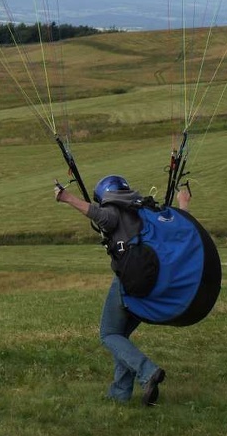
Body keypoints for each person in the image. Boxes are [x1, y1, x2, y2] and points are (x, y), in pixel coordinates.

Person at [54, 174, 191, 406]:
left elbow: (104, 218)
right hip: (154, 283)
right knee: (121, 335)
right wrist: (184, 203)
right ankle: (120, 393)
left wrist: (67, 198)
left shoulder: (116, 210)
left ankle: (148, 372)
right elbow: (178, 230)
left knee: (108, 334)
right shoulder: (144, 208)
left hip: (130, 280)